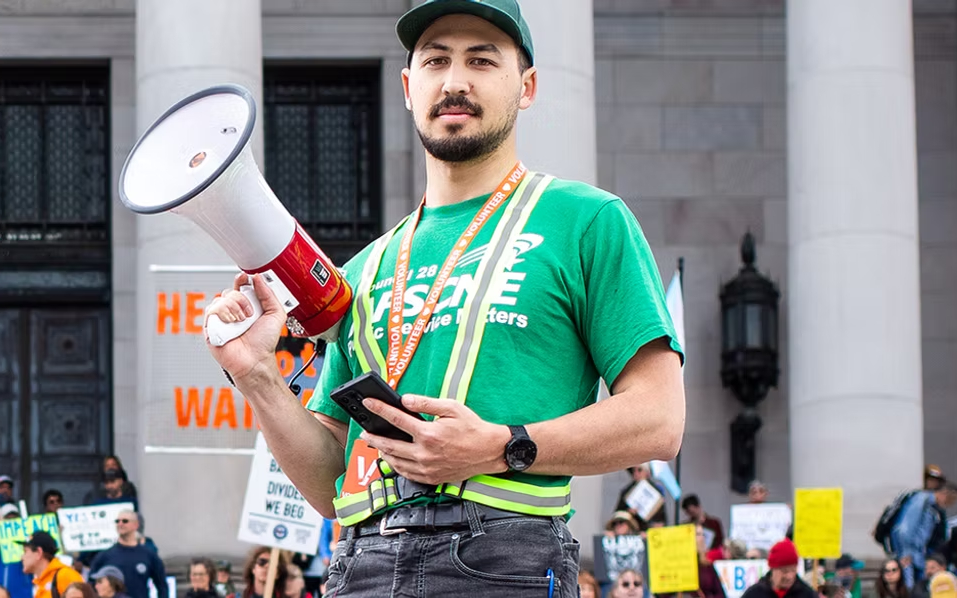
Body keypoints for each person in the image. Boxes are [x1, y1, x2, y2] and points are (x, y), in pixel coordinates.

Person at [204, 1, 684, 595]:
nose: (455, 81)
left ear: (526, 86)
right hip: (360, 564)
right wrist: (258, 378)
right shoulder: (368, 267)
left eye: (481, 60)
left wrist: (503, 446)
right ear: (409, 87)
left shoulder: (586, 221)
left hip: (504, 556)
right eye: (436, 60)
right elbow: (331, 484)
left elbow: (660, 420)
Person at [881, 479, 957, 588]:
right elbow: (905, 528)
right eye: (952, 500)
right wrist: (906, 551)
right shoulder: (922, 500)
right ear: (945, 494)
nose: (950, 504)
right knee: (909, 586)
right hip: (909, 552)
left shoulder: (931, 506)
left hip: (917, 552)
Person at [83, 511, 163, 598]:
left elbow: (161, 585)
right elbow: (90, 585)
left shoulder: (149, 555)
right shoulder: (104, 556)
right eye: (117, 521)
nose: (120, 524)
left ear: (136, 525)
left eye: (125, 521)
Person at [740, 540, 817, 598]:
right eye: (784, 571)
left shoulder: (807, 594)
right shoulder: (754, 594)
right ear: (772, 568)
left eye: (793, 570)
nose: (789, 576)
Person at [597, 512, 648, 597]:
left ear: (629, 525)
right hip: (611, 583)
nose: (618, 525)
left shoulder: (639, 541)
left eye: (621, 522)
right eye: (615, 523)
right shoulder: (607, 541)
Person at [22, 531, 81, 598]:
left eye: (25, 551)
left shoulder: (65, 575)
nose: (21, 557)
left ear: (39, 552)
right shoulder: (40, 584)